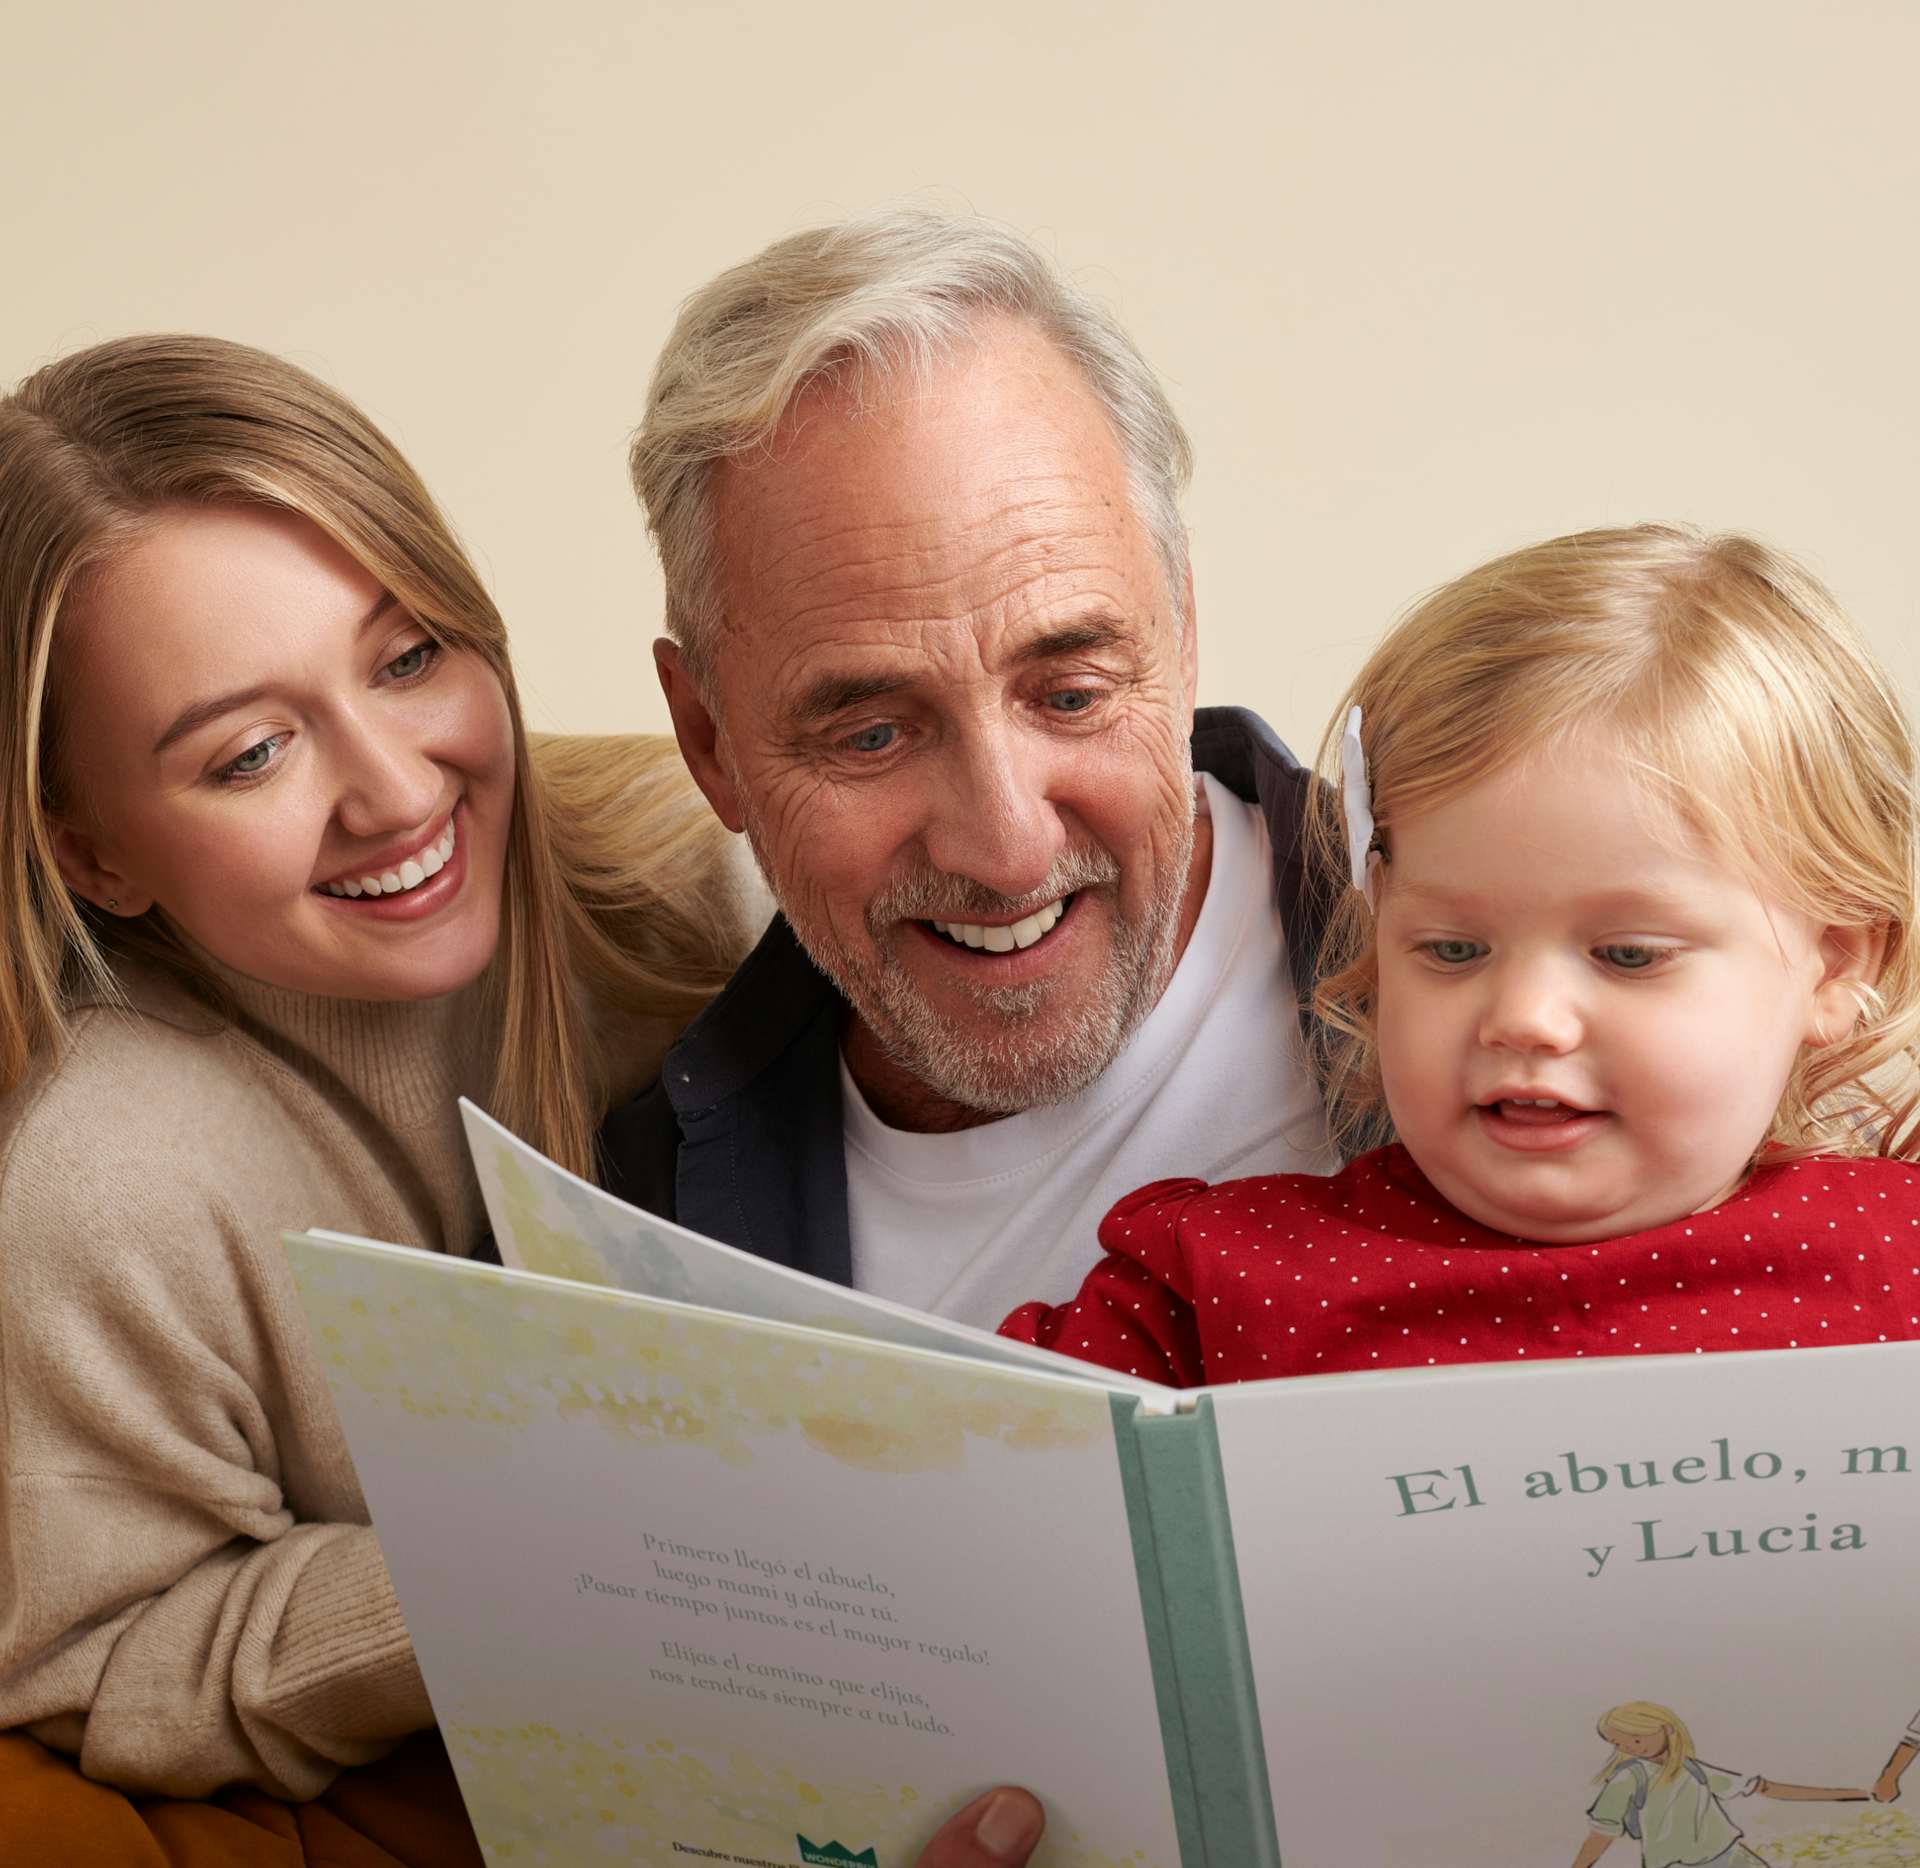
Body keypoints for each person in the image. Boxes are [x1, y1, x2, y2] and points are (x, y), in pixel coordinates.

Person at [0, 333, 1049, 1868]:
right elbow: (104, 1659)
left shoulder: (708, 893)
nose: (399, 790)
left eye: (409, 656)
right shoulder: (104, 1181)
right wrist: (538, 1557)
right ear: (90, 851)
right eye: (250, 752)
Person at [601, 209, 1338, 1329]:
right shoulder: (627, 1236)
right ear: (711, 743)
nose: (1005, 850)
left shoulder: (1556, 1007)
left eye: (1071, 694)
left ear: (1181, 632)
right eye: (872, 735)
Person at [999, 525, 1920, 1382]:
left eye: (1628, 955)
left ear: (1835, 967)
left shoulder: (1895, 1258)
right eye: (1452, 947)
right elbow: (954, 1464)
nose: (1523, 1016)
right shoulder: (1219, 1287)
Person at [1572, 1701, 1865, 1868]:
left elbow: (1764, 1788)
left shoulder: (1692, 1769)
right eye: (1618, 1743)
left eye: (1636, 1738)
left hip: (1729, 1857)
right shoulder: (1627, 1778)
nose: (1630, 1747)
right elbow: (1601, 1833)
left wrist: (1850, 1795)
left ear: (1667, 1729)